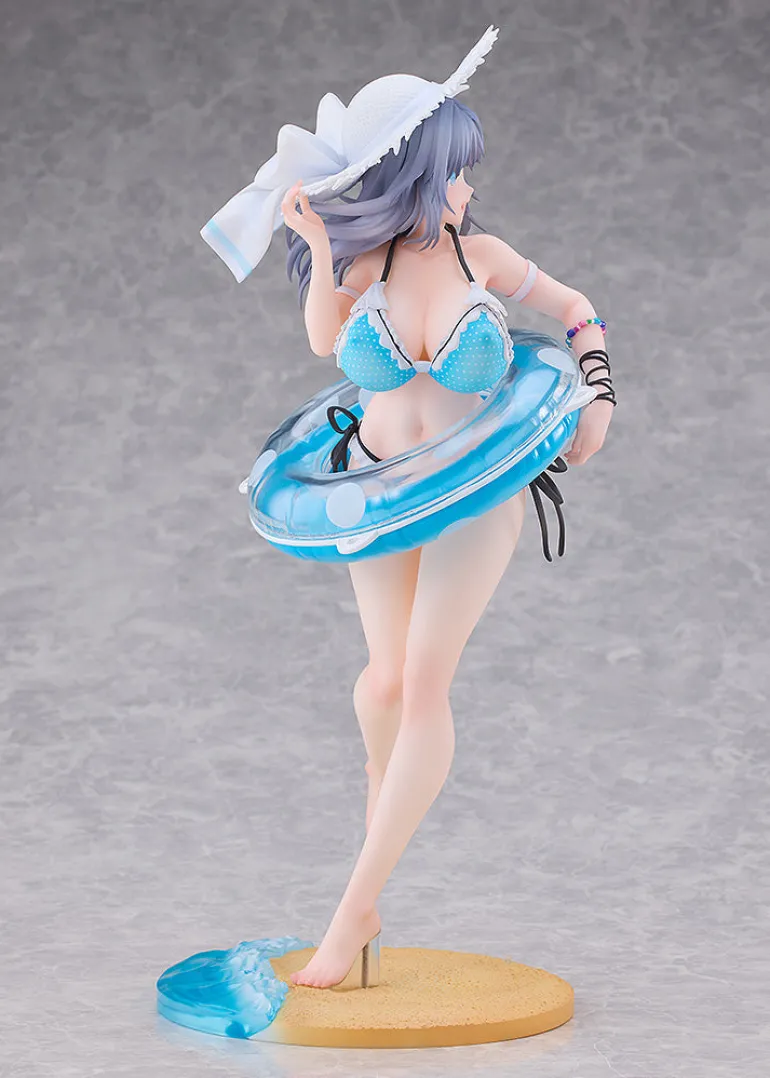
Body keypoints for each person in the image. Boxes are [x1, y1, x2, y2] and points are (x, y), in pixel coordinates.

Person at [201, 26, 616, 990]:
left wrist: (597, 394)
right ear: (416, 177)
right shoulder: (369, 266)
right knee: (380, 686)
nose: (468, 187)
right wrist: (315, 245)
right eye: (455, 171)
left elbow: (577, 309)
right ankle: (375, 853)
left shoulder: (486, 257)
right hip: (380, 490)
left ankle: (353, 910)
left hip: (472, 495)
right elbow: (322, 343)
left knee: (423, 688)